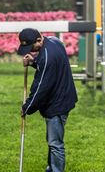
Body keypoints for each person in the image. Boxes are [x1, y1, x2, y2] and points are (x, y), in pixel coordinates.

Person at [18, 28, 78, 172]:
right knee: (52, 140)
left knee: (55, 143)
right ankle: (51, 167)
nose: (31, 50)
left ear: (39, 40)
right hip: (63, 97)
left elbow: (40, 89)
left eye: (31, 46)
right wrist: (33, 62)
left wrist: (27, 107)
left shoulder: (47, 57)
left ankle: (56, 170)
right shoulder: (54, 42)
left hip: (57, 103)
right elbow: (48, 66)